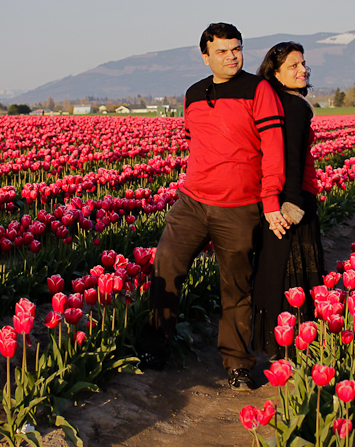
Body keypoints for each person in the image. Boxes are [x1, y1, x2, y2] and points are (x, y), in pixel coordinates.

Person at [140, 23, 289, 391]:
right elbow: (196, 143)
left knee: (235, 286)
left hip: (239, 207)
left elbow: (273, 149)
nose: (231, 56)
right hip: (192, 202)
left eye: (236, 49)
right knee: (166, 266)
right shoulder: (193, 93)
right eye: (221, 51)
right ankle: (156, 347)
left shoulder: (260, 90)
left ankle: (237, 363)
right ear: (205, 56)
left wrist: (270, 201)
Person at [251, 42, 327, 358]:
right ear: (276, 73)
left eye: (303, 64)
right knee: (297, 269)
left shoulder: (275, 104)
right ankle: (300, 342)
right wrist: (293, 203)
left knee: (273, 268)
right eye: (293, 66)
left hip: (271, 198)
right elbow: (291, 157)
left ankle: (273, 340)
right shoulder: (294, 108)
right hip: (292, 200)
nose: (303, 70)